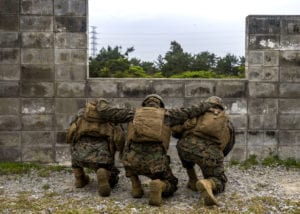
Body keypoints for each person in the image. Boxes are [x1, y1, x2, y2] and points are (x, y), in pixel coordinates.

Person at [95, 94, 217, 206]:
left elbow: (108, 112)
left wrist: (100, 102)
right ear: (160, 105)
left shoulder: (133, 113)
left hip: (132, 162)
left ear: (144, 105)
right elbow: (190, 111)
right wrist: (208, 103)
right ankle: (160, 185)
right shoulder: (167, 115)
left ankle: (136, 187)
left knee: (129, 156)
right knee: (172, 183)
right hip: (155, 163)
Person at [171, 96, 235, 206]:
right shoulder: (226, 120)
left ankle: (192, 180)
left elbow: (176, 133)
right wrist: (217, 159)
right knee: (220, 181)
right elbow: (228, 144)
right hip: (209, 153)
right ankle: (208, 183)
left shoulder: (196, 114)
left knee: (183, 146)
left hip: (184, 147)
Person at [66, 99, 125, 197]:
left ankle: (80, 179)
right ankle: (103, 174)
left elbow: (70, 133)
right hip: (101, 157)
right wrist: (119, 150)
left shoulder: (81, 115)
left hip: (80, 156)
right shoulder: (110, 119)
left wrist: (73, 145)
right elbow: (119, 138)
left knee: (76, 159)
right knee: (112, 174)